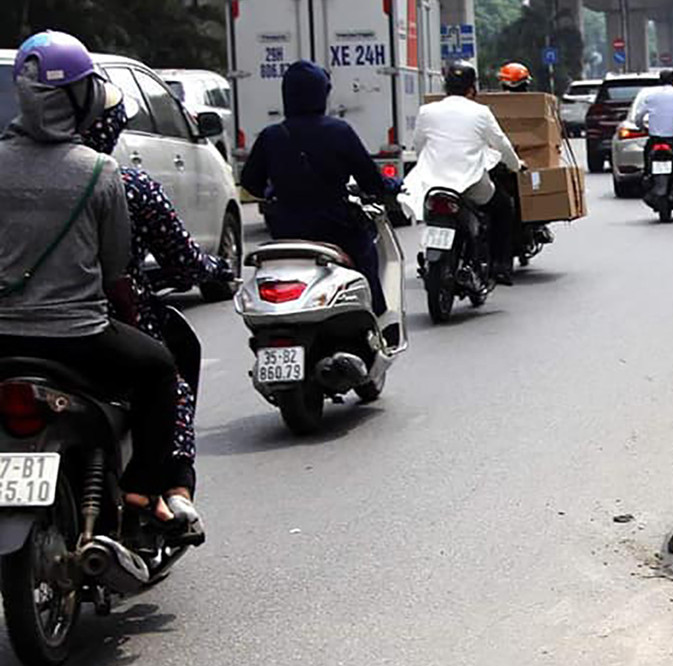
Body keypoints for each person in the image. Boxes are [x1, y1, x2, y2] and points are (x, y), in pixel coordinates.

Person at [0, 31, 183, 524]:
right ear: (78, 99)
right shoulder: (100, 172)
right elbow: (114, 266)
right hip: (77, 337)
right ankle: (144, 491)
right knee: (159, 370)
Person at [77, 93, 231, 541]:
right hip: (92, 325)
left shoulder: (12, 173)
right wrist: (216, 271)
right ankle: (158, 490)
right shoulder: (118, 183)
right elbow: (181, 259)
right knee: (168, 376)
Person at [241, 61, 392, 311]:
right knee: (366, 257)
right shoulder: (339, 131)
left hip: (286, 231)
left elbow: (250, 183)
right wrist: (387, 186)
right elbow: (370, 179)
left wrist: (275, 190)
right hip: (336, 228)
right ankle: (376, 318)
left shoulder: (271, 136)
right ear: (322, 92)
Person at [403, 61, 524, 285]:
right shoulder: (481, 112)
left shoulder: (427, 111)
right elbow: (502, 145)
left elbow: (418, 146)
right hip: (470, 184)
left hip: (433, 184)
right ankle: (500, 267)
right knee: (504, 207)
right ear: (472, 89)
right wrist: (516, 165)